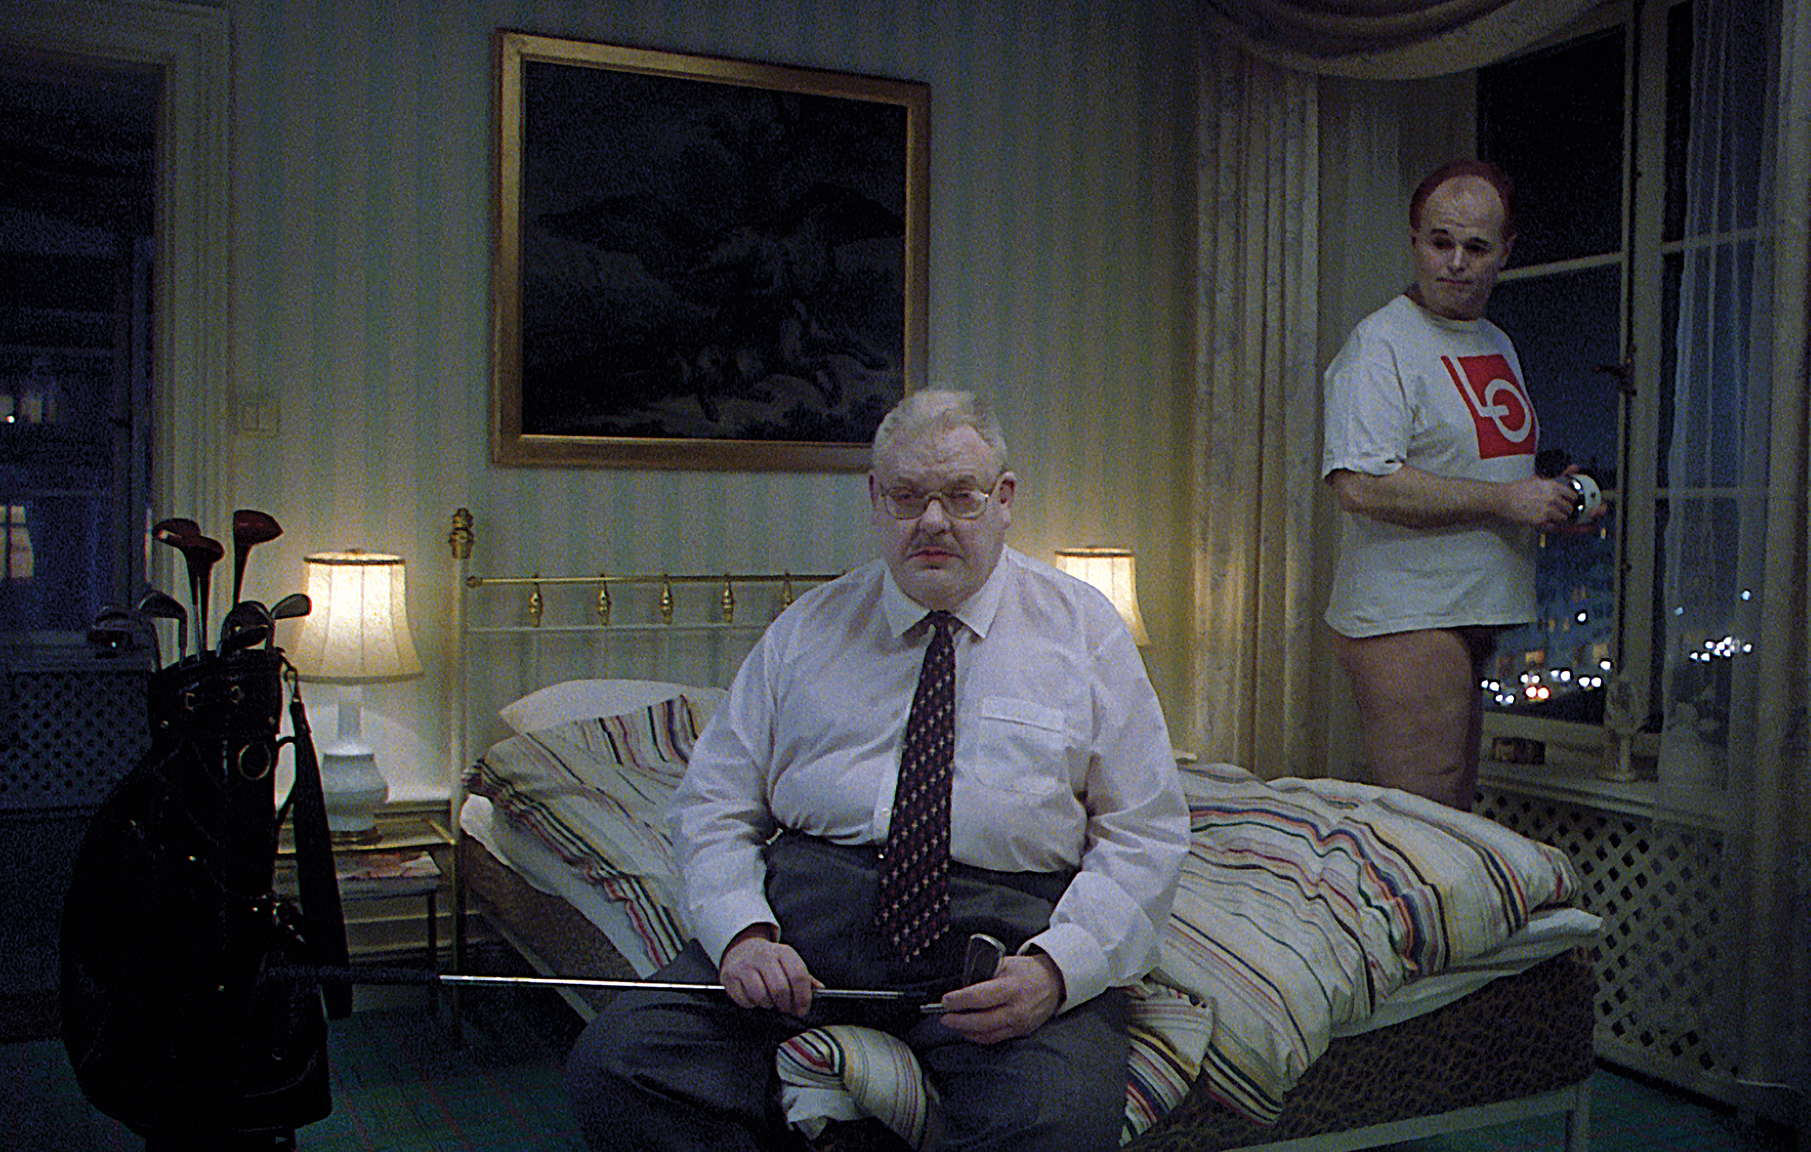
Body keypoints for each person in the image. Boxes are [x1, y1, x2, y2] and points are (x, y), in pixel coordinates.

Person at [565, 389, 1191, 1151]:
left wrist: (1058, 971)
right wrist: (742, 936)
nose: (932, 520)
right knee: (617, 1064)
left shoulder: (1084, 631)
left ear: (1004, 499)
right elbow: (713, 804)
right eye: (906, 496)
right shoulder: (804, 631)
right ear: (873, 499)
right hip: (806, 937)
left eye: (960, 496)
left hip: (1000, 948)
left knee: (1054, 1122)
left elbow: (1144, 831)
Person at [1322, 159, 1599, 811]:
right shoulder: (1380, 344)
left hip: (1471, 607)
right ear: (1414, 241)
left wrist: (1545, 497)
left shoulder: (1494, 341)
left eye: (1475, 247)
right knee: (1424, 822)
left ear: (1505, 251)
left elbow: (1476, 463)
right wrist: (1506, 499)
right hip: (1407, 613)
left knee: (1452, 809)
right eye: (1439, 242)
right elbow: (1360, 484)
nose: (1454, 262)